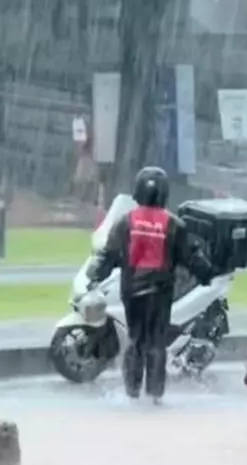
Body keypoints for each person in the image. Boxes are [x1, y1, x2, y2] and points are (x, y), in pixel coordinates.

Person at [87, 166, 215, 403]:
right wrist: (207, 273)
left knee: (136, 339)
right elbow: (191, 255)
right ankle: (155, 396)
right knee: (156, 343)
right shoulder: (173, 224)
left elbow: (109, 254)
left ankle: (132, 394)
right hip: (160, 292)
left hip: (132, 291)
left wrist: (95, 276)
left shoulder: (126, 222)